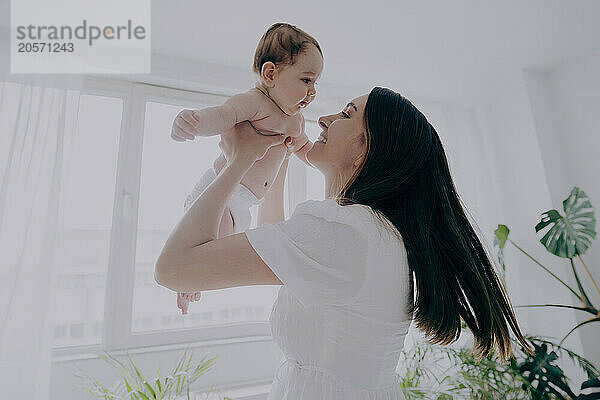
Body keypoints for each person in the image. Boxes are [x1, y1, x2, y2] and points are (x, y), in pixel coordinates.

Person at [155, 87, 535, 399]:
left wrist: (240, 159)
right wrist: (278, 155)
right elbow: (282, 248)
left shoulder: (345, 234)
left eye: (346, 114)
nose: (323, 119)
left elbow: (173, 269)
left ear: (365, 149)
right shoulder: (368, 233)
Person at [171, 22, 323, 313]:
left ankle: (192, 278)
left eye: (316, 83)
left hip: (245, 203)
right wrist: (194, 122)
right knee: (210, 245)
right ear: (271, 73)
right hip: (220, 191)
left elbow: (305, 148)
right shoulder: (254, 102)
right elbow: (222, 116)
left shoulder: (295, 121)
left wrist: (322, 159)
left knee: (225, 248)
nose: (312, 91)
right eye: (306, 80)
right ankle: (187, 280)